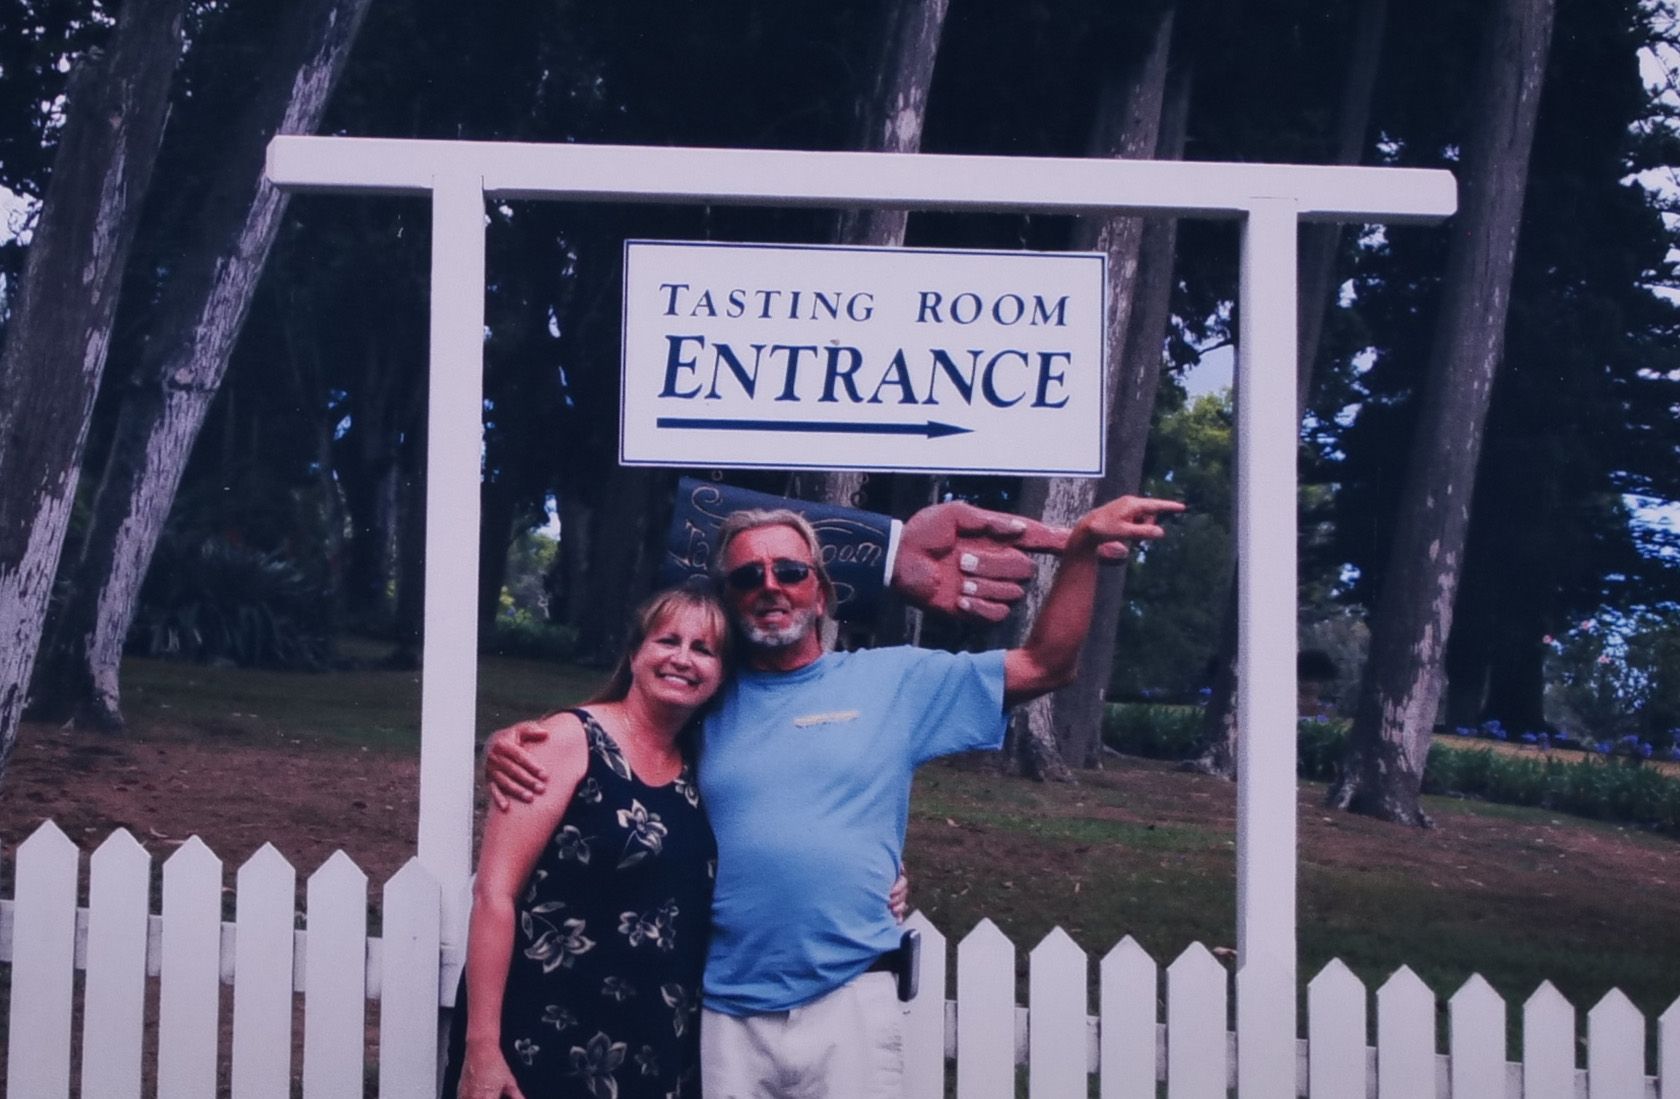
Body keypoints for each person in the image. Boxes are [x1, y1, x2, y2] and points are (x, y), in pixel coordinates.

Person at [488, 492, 1183, 1098]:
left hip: (849, 996)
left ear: (820, 593)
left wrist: (1082, 551)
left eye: (790, 571)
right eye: (748, 576)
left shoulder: (896, 682)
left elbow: (1046, 664)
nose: (770, 585)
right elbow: (620, 732)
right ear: (729, 599)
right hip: (723, 1007)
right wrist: (512, 740)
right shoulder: (703, 696)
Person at [444, 581, 728, 1099]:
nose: (683, 659)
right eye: (668, 640)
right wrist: (482, 1046)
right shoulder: (566, 741)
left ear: (721, 674)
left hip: (650, 1041)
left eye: (704, 649)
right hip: (541, 1034)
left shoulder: (700, 766)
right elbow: (494, 895)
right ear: (635, 653)